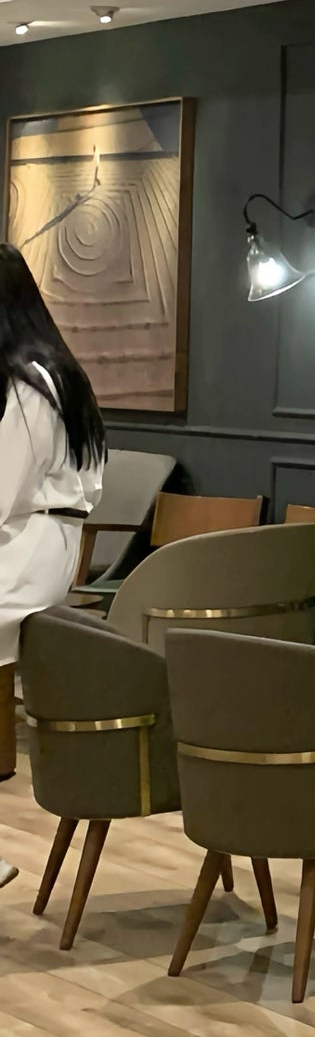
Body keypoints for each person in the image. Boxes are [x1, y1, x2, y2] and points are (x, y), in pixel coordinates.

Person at [0, 246, 104, 883]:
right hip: (41, 542)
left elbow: (1, 492)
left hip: (26, 549)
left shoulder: (29, 387)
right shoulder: (56, 373)